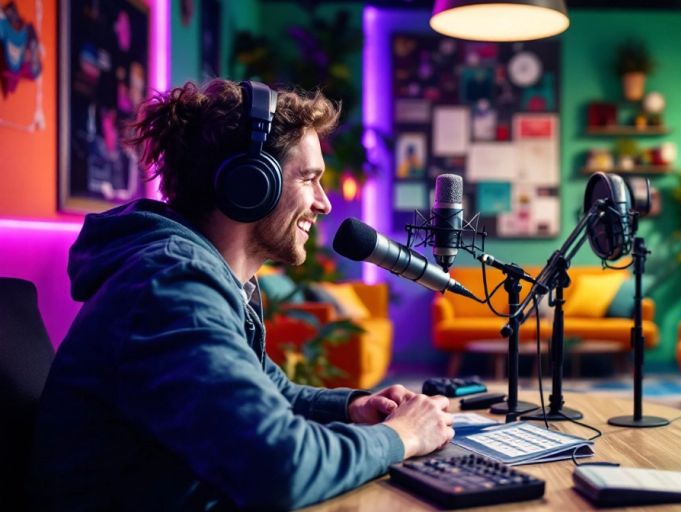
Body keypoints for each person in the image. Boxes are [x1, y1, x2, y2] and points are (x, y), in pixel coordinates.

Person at [29, 79, 454, 510]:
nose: (324, 204)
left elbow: (277, 394)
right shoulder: (171, 286)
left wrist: (355, 407)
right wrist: (403, 435)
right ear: (251, 183)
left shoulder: (205, 277)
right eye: (308, 178)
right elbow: (279, 467)